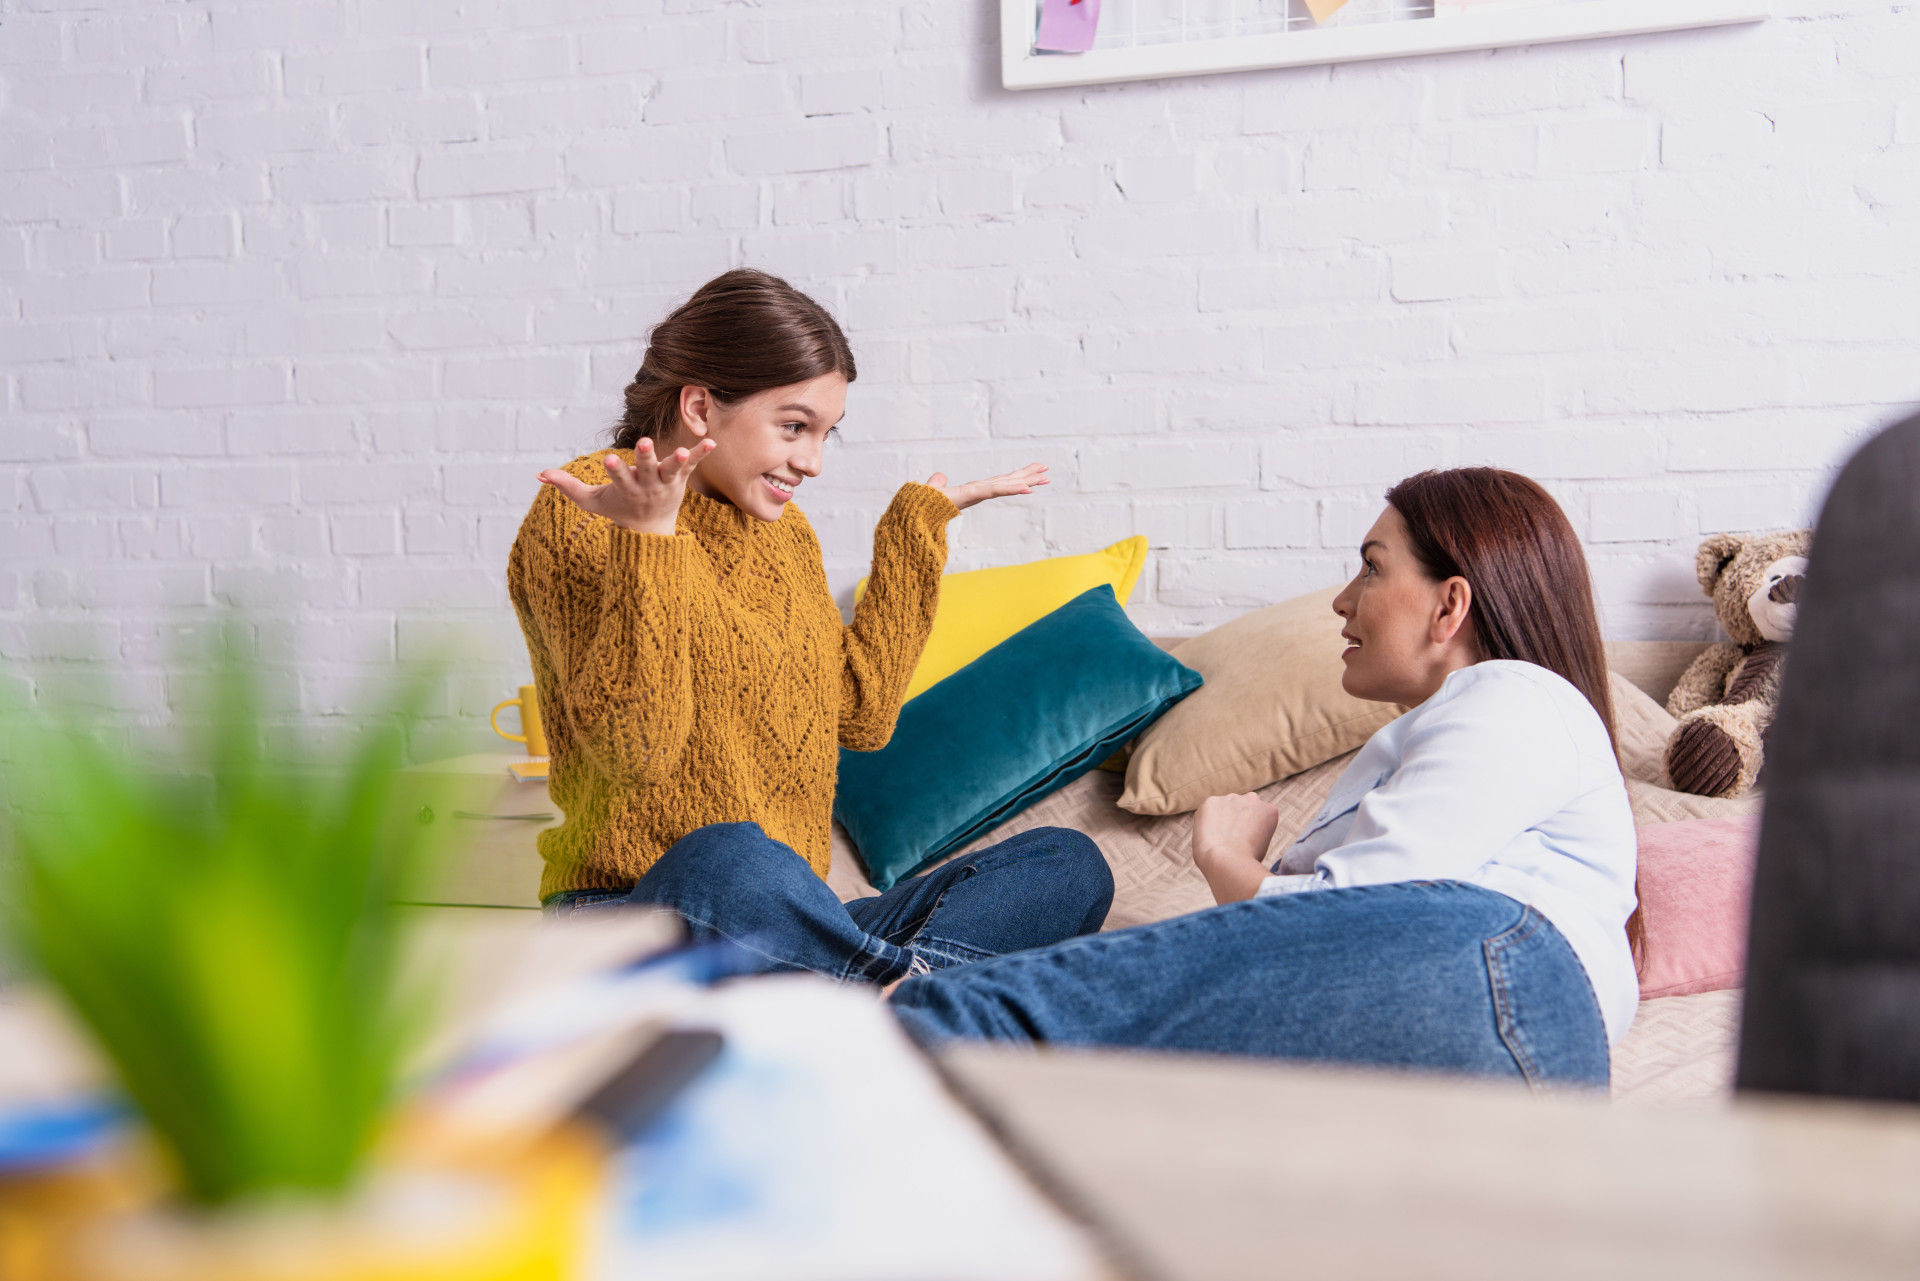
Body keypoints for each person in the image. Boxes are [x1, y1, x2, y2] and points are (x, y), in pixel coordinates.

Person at [890, 468, 1639, 1088]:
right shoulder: (1442, 745)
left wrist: (1228, 864)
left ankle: (886, 1027)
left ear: (1450, 604)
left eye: (1372, 566)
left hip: (1495, 976)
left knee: (1002, 1018)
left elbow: (1356, 910)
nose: (1344, 600)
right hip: (1498, 1051)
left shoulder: (1515, 694)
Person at [509, 269, 1113, 983]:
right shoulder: (583, 511)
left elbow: (862, 715)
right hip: (635, 915)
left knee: (1065, 863)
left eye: (827, 434)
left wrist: (915, 531)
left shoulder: (785, 535)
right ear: (700, 406)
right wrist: (650, 542)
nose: (813, 462)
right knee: (729, 856)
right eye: (795, 427)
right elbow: (636, 749)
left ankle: (891, 991)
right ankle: (922, 997)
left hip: (789, 925)